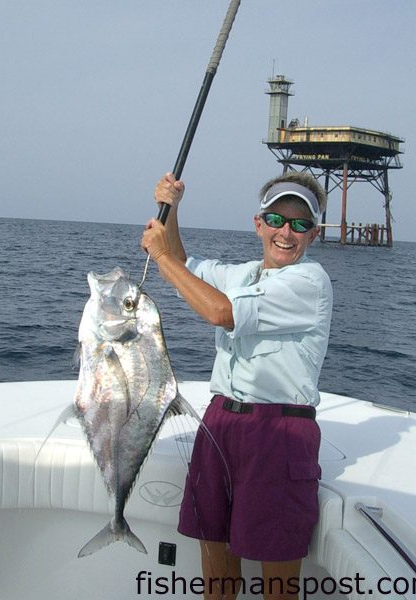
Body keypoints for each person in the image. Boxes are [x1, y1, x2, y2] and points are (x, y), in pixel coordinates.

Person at [141, 171, 333, 600]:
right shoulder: (242, 273)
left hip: (279, 433)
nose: (287, 232)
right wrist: (172, 209)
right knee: (215, 562)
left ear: (314, 235)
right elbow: (184, 264)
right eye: (277, 219)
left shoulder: (310, 282)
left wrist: (162, 257)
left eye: (300, 225)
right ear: (258, 223)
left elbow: (220, 313)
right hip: (220, 422)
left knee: (278, 582)